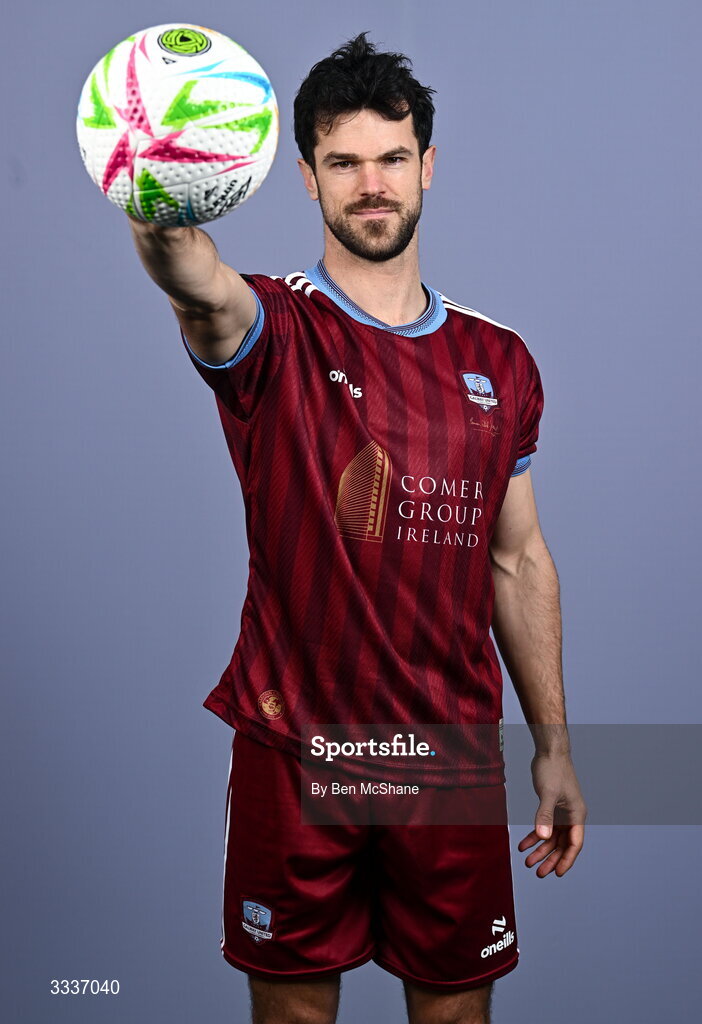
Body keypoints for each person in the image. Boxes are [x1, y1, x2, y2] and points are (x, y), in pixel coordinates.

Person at [128, 31, 586, 1024]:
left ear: (427, 163)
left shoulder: (499, 361)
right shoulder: (273, 328)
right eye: (344, 162)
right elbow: (189, 276)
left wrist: (553, 745)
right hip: (299, 752)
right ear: (305, 178)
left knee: (457, 1015)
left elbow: (516, 559)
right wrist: (154, 179)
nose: (370, 184)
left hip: (449, 761)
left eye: (390, 157)